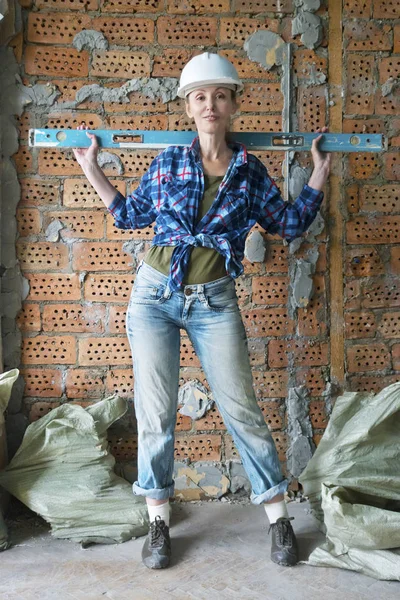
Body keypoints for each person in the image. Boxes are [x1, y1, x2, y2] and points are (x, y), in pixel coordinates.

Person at [73, 52, 331, 570]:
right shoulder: (169, 162)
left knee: (242, 410)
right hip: (153, 298)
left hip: (213, 300)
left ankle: (279, 520)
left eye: (219, 96)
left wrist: (320, 172)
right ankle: (159, 524)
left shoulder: (249, 171)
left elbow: (288, 223)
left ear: (234, 104)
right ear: (188, 108)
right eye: (199, 97)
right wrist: (92, 168)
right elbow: (129, 214)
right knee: (157, 414)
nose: (209, 105)